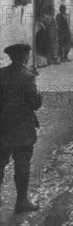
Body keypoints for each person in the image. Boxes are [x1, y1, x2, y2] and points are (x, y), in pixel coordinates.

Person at [0, 43, 42, 214]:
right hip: (22, 128)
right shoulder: (28, 77)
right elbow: (35, 103)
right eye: (27, 54)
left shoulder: (0, 74)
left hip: (2, 127)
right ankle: (22, 201)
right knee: (22, 163)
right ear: (24, 56)